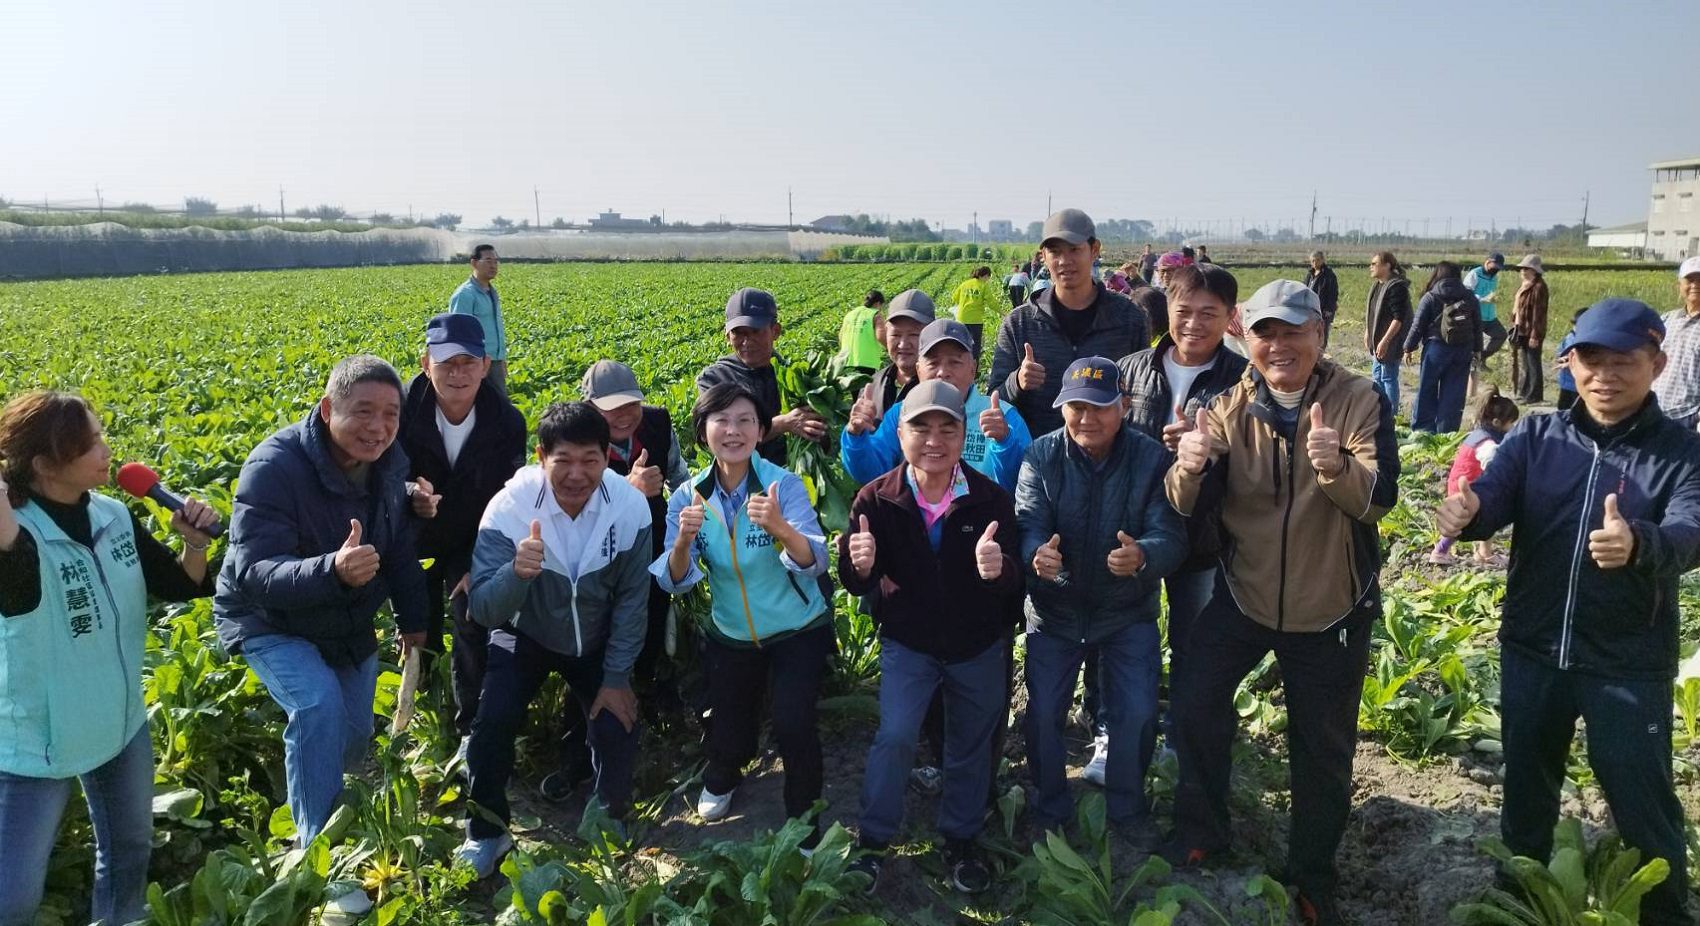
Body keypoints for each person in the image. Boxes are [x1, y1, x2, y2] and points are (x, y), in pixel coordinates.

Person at [1437, 298, 1700, 926]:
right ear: (1569, 364)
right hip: (1533, 647)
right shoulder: (1536, 435)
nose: (1604, 375)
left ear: (1657, 363)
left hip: (1626, 659)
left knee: (1640, 796)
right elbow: (1495, 499)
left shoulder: (1682, 450)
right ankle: (1518, 899)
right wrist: (1469, 514)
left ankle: (1666, 913)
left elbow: (1692, 528)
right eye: (1590, 360)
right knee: (1527, 789)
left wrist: (1641, 542)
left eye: (1624, 361)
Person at [1165, 279, 1398, 925]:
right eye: (1266, 331)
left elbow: (1378, 500)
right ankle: (1203, 829)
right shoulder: (1224, 406)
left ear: (1319, 333)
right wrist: (1187, 463)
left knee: (1321, 751)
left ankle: (1311, 878)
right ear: (1247, 336)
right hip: (1244, 597)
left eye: (1294, 329)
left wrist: (1335, 468)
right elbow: (1182, 504)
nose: (1279, 344)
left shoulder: (1359, 398)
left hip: (1331, 609)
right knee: (1192, 702)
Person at [214, 355, 428, 916]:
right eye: (363, 412)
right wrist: (330, 569)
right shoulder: (274, 466)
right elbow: (252, 573)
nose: (378, 428)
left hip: (345, 622)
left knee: (355, 737)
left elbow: (399, 551)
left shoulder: (389, 465)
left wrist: (416, 621)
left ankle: (318, 812)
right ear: (328, 408)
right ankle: (322, 859)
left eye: (390, 414)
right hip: (269, 620)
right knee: (316, 706)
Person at [0, 392, 220, 926]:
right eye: (90, 443)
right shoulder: (17, 538)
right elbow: (14, 571)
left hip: (120, 724)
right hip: (40, 742)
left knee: (128, 857)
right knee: (13, 899)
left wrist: (194, 545)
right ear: (45, 464)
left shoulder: (114, 515)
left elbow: (179, 587)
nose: (107, 450)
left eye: (101, 434)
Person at [838, 380, 1022, 895]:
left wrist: (997, 569)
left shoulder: (990, 500)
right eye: (921, 426)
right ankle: (873, 841)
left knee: (968, 744)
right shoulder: (876, 499)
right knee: (895, 736)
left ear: (964, 435)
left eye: (948, 427)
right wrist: (859, 566)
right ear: (900, 432)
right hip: (910, 644)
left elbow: (1014, 584)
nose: (934, 439)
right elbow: (856, 581)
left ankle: (961, 840)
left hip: (977, 645)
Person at [455, 402, 651, 876]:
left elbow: (631, 600)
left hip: (596, 636)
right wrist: (517, 573)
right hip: (525, 632)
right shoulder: (510, 509)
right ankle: (486, 831)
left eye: (590, 459)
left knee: (616, 719)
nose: (577, 474)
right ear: (540, 456)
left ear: (608, 457)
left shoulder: (628, 508)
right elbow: (482, 607)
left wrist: (616, 676)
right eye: (563, 460)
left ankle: (607, 816)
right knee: (492, 724)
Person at [653, 383, 834, 846]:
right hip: (732, 631)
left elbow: (817, 560)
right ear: (702, 432)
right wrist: (681, 543)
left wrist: (778, 526)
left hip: (797, 626)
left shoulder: (782, 485)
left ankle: (804, 815)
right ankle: (726, 772)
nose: (733, 430)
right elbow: (675, 580)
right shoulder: (688, 498)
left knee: (794, 722)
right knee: (731, 719)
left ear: (759, 431)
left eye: (745, 421)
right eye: (722, 421)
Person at [1017, 356, 1186, 841]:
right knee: (1044, 714)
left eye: (1099, 407)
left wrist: (1143, 556)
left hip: (1125, 611)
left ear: (1124, 407)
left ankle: (1127, 808)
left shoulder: (1152, 459)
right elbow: (1028, 522)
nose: (1086, 419)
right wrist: (1036, 556)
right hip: (1056, 611)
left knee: (1136, 712)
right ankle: (1051, 806)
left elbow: (1170, 535)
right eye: (1075, 407)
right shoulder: (1041, 456)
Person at [1112, 263, 1248, 782]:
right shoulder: (1128, 369)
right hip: (1135, 534)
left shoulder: (1242, 379)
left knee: (1195, 643)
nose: (1193, 323)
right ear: (1166, 308)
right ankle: (1121, 731)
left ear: (1229, 318)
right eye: (1184, 311)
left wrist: (1211, 450)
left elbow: (1253, 463)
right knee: (1129, 638)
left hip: (1203, 538)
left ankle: (1182, 737)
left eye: (1208, 314)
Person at [534, 360, 692, 802]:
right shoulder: (576, 443)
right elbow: (566, 503)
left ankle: (645, 720)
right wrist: (626, 487)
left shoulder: (659, 426)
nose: (624, 415)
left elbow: (680, 479)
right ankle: (577, 759)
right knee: (591, 656)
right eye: (611, 408)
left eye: (631, 404)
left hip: (654, 552)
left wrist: (687, 526)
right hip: (595, 566)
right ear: (589, 408)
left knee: (647, 636)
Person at [397, 313, 527, 766]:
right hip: (408, 534)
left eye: (468, 362)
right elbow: (376, 479)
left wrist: (483, 563)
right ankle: (423, 707)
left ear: (486, 364)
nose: (457, 373)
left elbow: (510, 499)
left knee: (471, 615)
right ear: (424, 362)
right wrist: (410, 493)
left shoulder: (507, 421)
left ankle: (470, 725)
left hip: (472, 535)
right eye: (446, 362)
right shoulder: (398, 412)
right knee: (417, 626)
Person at [989, 209, 1151, 438]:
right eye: (1055, 252)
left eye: (1075, 250)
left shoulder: (1128, 318)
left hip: (1109, 461)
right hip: (1036, 462)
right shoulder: (1019, 324)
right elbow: (994, 399)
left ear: (1094, 250)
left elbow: (1143, 397)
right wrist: (1017, 381)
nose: (1065, 261)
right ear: (1042, 256)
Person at [844, 318, 1031, 492]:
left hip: (985, 524)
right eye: (933, 363)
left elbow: (1026, 486)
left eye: (954, 362)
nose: (943, 372)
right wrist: (856, 436)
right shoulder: (902, 414)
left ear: (973, 369)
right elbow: (872, 474)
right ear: (918, 370)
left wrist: (1005, 442)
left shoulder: (1003, 417)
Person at [696, 288, 827, 466]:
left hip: (791, 478)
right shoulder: (715, 379)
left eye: (756, 331)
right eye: (738, 333)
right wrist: (783, 423)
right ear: (727, 336)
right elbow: (721, 438)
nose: (747, 341)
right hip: (738, 482)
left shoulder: (796, 377)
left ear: (776, 331)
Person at [1428, 389, 1519, 567]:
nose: (1513, 428)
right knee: (1459, 523)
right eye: (1511, 424)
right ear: (1497, 422)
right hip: (1467, 488)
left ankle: (1484, 552)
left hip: (1461, 483)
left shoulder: (1478, 434)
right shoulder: (1488, 444)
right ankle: (1440, 551)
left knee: (1483, 517)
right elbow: (1493, 467)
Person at [1405, 261, 1483, 433]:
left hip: (1435, 348)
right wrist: (1478, 350)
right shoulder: (1469, 297)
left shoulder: (1431, 296)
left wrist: (1408, 347)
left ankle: (1422, 430)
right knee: (1454, 393)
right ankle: (1446, 431)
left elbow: (1417, 325)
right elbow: (1478, 326)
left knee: (1427, 389)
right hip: (1463, 349)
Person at [861, 289, 933, 422]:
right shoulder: (872, 385)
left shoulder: (941, 388)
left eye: (914, 334)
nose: (903, 344)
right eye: (895, 335)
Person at [449, 244, 508, 391]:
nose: (493, 265)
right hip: (476, 363)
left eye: (495, 261)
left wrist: (501, 358)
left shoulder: (491, 292)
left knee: (499, 407)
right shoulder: (465, 295)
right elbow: (458, 334)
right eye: (488, 261)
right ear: (474, 263)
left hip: (494, 361)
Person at [1650, 256, 1700, 429]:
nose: (1695, 285)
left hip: (1689, 418)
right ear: (1679, 286)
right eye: (1690, 280)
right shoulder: (1666, 319)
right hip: (1654, 413)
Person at [1364, 251, 1413, 411]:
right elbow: (1372, 313)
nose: (1371, 267)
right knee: (1377, 376)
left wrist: (1385, 341)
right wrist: (1367, 332)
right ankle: (1380, 410)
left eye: (1374, 264)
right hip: (1378, 340)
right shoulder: (1378, 285)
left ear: (1387, 266)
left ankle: (1391, 415)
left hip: (1391, 341)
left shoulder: (1396, 287)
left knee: (1388, 376)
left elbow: (1398, 318)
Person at [1464, 252, 1509, 396]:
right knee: (1473, 345)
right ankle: (1471, 377)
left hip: (1490, 316)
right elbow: (1466, 292)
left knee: (1501, 335)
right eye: (1495, 265)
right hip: (1476, 316)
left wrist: (1494, 299)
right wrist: (1482, 299)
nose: (1497, 269)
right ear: (1488, 261)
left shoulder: (1494, 276)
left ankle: (1482, 358)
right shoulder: (1475, 274)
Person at [1508, 255, 1550, 404]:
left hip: (1532, 331)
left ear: (1534, 270)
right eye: (1522, 268)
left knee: (1533, 363)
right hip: (1521, 328)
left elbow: (1539, 314)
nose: (1522, 271)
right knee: (1525, 362)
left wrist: (1535, 335)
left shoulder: (1539, 287)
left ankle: (1534, 395)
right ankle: (1525, 392)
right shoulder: (1524, 285)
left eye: (1526, 269)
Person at [836, 290, 886, 374]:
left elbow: (841, 335)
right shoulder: (875, 315)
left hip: (846, 361)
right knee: (864, 386)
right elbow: (881, 336)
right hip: (866, 361)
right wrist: (891, 349)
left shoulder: (850, 314)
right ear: (877, 303)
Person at [952, 265, 996, 356]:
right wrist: (1003, 313)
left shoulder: (964, 284)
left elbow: (954, 298)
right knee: (975, 346)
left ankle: (961, 364)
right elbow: (992, 303)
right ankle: (973, 367)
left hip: (961, 318)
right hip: (975, 320)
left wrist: (964, 302)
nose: (988, 279)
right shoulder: (983, 286)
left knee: (962, 343)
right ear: (984, 275)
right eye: (988, 277)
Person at [1304, 250, 1340, 345]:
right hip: (1310, 309)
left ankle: (1320, 354)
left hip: (1323, 310)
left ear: (1323, 260)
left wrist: (1329, 309)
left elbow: (1333, 294)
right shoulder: (1310, 274)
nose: (1315, 263)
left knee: (1321, 333)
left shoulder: (1328, 275)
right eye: (1313, 261)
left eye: (1317, 260)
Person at [1553, 308, 1585, 411]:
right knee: (1562, 409)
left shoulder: (1587, 340)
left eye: (1578, 325)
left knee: (1576, 410)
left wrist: (1570, 363)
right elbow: (1561, 351)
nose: (1575, 328)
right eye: (1574, 325)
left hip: (1577, 385)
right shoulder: (1569, 337)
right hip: (1566, 382)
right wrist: (1561, 359)